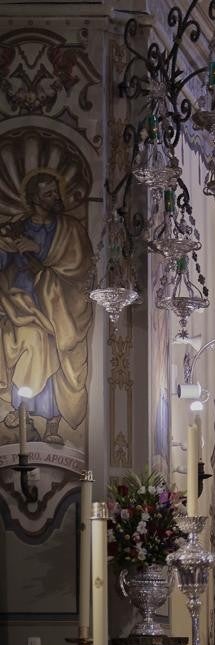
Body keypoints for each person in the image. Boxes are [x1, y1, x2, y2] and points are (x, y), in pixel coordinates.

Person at [0, 172, 92, 446]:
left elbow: (81, 267)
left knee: (53, 349)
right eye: (48, 194)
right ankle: (23, 413)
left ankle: (52, 422)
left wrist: (37, 250)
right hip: (20, 302)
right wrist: (8, 247)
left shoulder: (70, 229)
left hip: (58, 309)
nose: (56, 198)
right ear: (34, 199)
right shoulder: (18, 226)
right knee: (32, 342)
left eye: (56, 192)